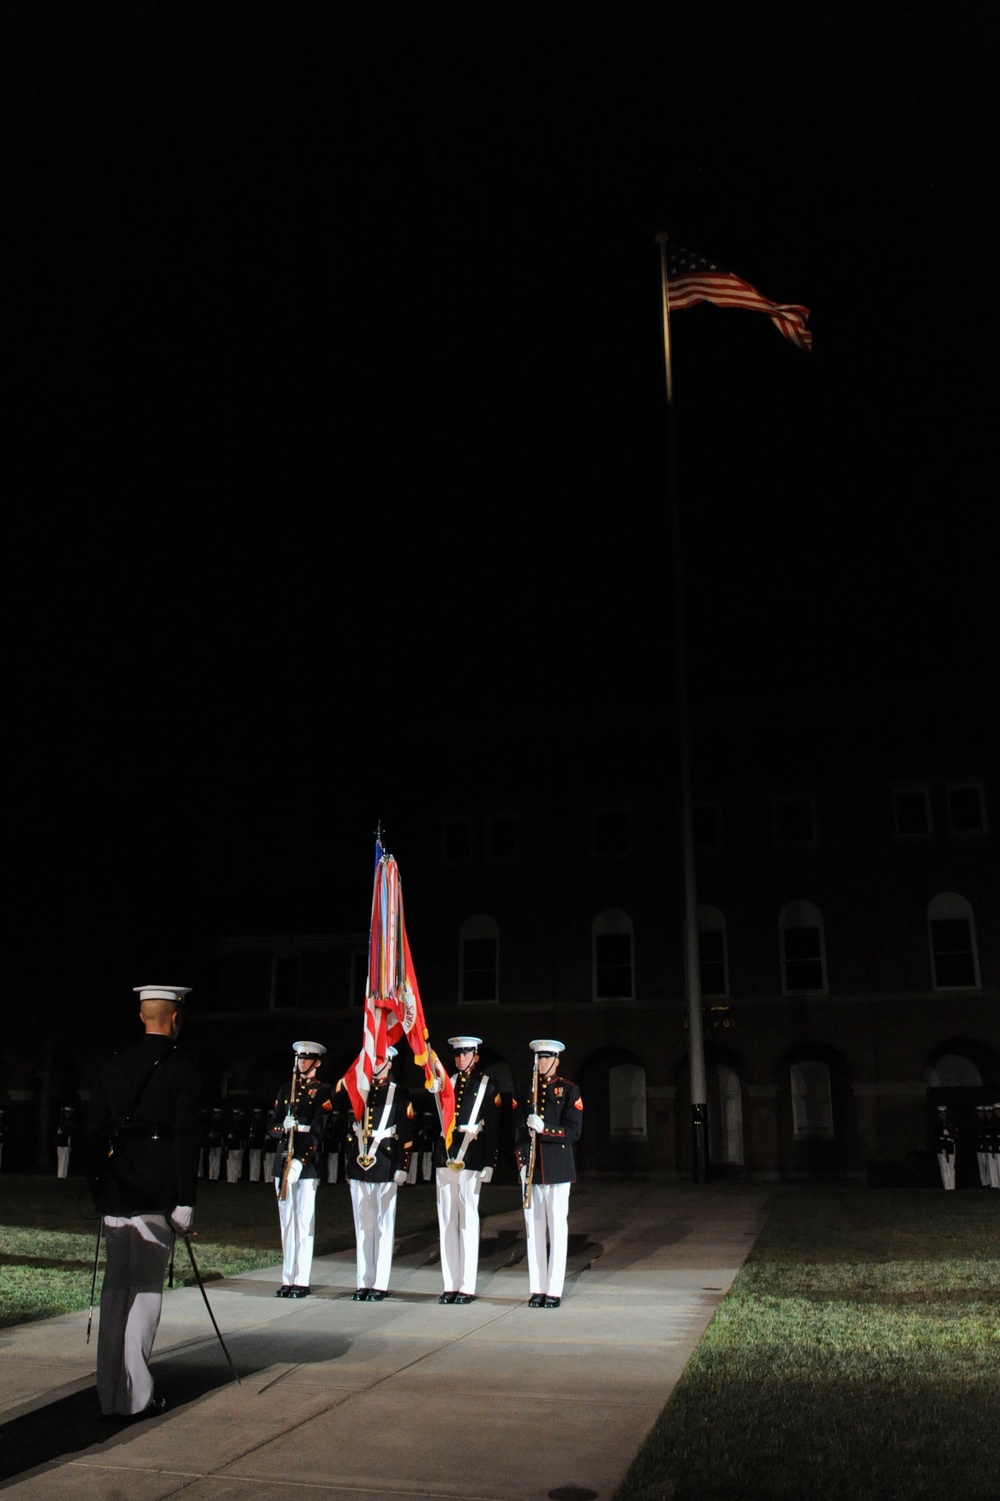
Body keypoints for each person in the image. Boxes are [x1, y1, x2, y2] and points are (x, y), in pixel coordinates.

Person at [86, 985, 201, 1419]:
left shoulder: (114, 1064)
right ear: (174, 1017)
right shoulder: (184, 1066)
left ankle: (108, 1393)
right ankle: (135, 1396)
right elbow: (187, 1135)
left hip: (117, 1186)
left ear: (141, 1016)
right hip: (157, 1189)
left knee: (115, 1290)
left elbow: (94, 1130)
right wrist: (185, 1198)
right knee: (146, 1290)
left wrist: (99, 1187)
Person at [340, 1045, 413, 1300]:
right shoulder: (362, 1089)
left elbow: (405, 1134)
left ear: (390, 1064)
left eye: (381, 1060)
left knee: (383, 1226)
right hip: (360, 1164)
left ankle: (379, 1283)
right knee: (363, 1226)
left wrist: (403, 1166)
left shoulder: (398, 1093)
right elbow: (352, 1129)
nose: (377, 1064)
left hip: (385, 1163)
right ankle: (363, 1281)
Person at [514, 1039, 583, 1308]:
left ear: (556, 1060)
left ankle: (553, 1289)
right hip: (533, 1170)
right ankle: (537, 1288)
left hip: (557, 1168)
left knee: (556, 1228)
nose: (541, 1063)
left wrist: (546, 1129)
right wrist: (521, 1163)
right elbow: (518, 1132)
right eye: (538, 1059)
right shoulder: (526, 1091)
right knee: (534, 1230)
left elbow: (574, 1132)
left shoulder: (568, 1091)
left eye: (546, 1058)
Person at [434, 1036, 501, 1304]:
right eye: (457, 1054)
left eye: (465, 1054)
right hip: (446, 1158)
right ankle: (450, 1284)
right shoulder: (446, 1084)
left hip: (471, 1158)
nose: (461, 1058)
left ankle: (467, 1286)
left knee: (468, 1223)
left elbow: (493, 1127)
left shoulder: (487, 1085)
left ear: (475, 1056)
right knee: (447, 1222)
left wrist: (489, 1162)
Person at [267, 1041, 334, 1298]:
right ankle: (287, 1278)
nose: (302, 1063)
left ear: (317, 1062)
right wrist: (281, 1127)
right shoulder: (287, 1089)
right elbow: (271, 1123)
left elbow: (318, 1129)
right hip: (283, 1159)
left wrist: (301, 1160)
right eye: (299, 1058)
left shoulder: (323, 1091)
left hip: (306, 1164)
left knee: (303, 1222)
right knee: (287, 1222)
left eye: (307, 1059)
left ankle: (302, 1280)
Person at [932, 1104, 957, 1190]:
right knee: (944, 1167)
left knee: (951, 1167)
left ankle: (952, 1186)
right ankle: (947, 1186)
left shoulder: (951, 1124)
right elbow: (935, 1137)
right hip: (941, 1147)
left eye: (944, 1113)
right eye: (941, 1113)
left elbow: (955, 1135)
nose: (942, 1115)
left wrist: (949, 1135)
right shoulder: (936, 1124)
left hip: (950, 1147)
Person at [225, 1107, 247, 1183]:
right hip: (231, 1146)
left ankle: (234, 1178)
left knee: (235, 1163)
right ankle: (230, 1178)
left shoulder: (240, 1125)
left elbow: (241, 1135)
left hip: (237, 1146)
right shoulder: (231, 1124)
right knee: (230, 1163)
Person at [247, 1107, 266, 1182]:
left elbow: (261, 1134)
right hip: (252, 1145)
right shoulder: (253, 1123)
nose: (256, 1116)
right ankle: (252, 1177)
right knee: (252, 1161)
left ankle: (255, 1178)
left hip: (258, 1144)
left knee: (256, 1162)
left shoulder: (261, 1123)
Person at [55, 1105, 74, 1177]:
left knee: (65, 1159)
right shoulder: (62, 1121)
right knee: (61, 1158)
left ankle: (63, 1174)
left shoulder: (69, 1122)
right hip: (61, 1142)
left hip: (66, 1142)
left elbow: (68, 1132)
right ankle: (60, 1174)